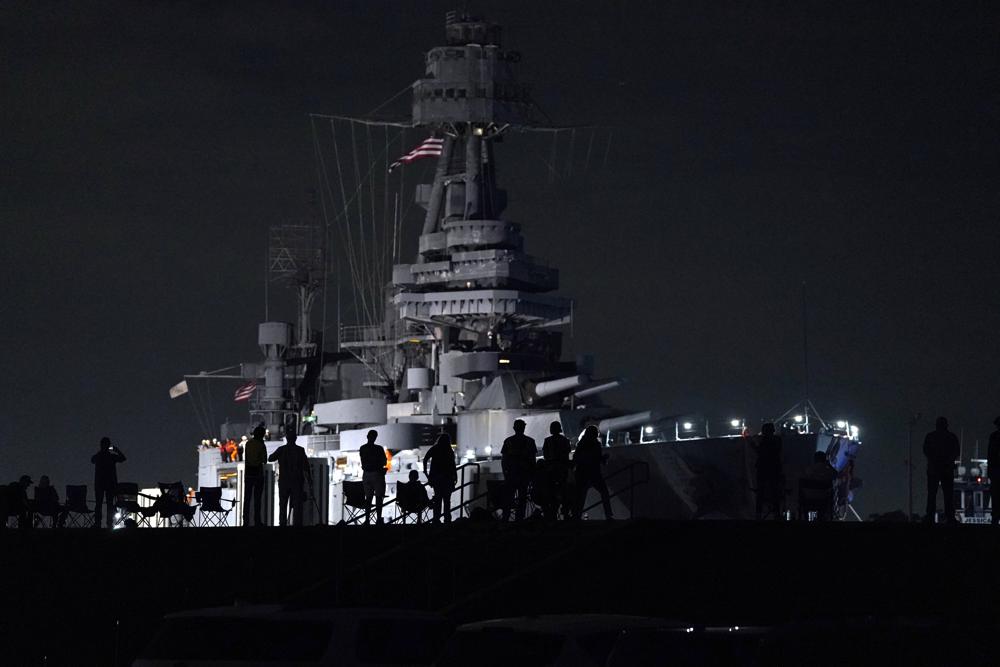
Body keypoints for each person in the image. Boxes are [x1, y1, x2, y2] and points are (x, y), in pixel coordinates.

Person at [268, 430, 311, 526]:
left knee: (283, 504)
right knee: (297, 505)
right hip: (297, 481)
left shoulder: (281, 449)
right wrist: (310, 481)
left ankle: (282, 524)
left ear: (287, 439)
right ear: (295, 439)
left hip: (284, 481)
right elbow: (306, 466)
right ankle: (297, 524)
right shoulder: (300, 450)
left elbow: (270, 458)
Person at [923, 416, 960, 524]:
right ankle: (950, 517)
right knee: (948, 494)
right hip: (947, 469)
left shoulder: (930, 436)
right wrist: (948, 460)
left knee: (932, 493)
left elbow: (926, 450)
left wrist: (935, 459)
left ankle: (930, 516)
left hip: (934, 469)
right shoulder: (951, 437)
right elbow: (956, 452)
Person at [573, 425, 613, 520]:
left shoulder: (581, 444)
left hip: (582, 473)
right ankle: (608, 515)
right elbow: (597, 459)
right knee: (604, 493)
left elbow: (576, 458)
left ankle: (576, 516)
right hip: (594, 473)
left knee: (580, 497)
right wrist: (604, 458)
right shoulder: (596, 444)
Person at [501, 419, 537, 521]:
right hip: (524, 475)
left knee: (509, 498)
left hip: (511, 475)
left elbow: (504, 460)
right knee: (522, 498)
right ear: (524, 428)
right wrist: (532, 477)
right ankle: (519, 519)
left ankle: (505, 518)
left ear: (514, 428)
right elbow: (532, 461)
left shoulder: (508, 441)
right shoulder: (530, 441)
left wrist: (505, 474)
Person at [91, 437, 126, 528]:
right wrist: (116, 450)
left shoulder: (99, 456)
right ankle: (109, 524)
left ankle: (98, 523)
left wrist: (100, 452)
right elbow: (123, 458)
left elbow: (92, 460)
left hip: (100, 484)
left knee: (99, 504)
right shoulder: (111, 456)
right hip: (110, 484)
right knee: (109, 504)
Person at [423, 433, 457, 523]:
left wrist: (426, 472)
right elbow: (453, 465)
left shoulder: (435, 448)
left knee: (438, 499)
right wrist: (455, 476)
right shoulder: (449, 450)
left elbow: (425, 458)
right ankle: (447, 519)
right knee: (447, 501)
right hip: (448, 478)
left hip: (436, 478)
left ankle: (436, 519)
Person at [751, 423, 783, 519]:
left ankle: (759, 513)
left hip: (763, 468)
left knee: (760, 493)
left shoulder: (764, 441)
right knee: (774, 492)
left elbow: (761, 452)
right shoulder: (777, 440)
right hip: (774, 468)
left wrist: (753, 446)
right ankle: (776, 513)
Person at [542, 421, 572, 520]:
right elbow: (567, 453)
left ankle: (553, 513)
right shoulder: (565, 440)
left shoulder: (547, 441)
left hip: (550, 470)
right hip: (562, 469)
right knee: (564, 492)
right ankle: (565, 512)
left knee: (551, 492)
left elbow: (546, 455)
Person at [359, 430, 387, 524]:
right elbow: (384, 462)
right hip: (377, 474)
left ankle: (367, 520)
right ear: (375, 437)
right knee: (379, 498)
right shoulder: (379, 449)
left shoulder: (362, 448)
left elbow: (364, 462)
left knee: (368, 498)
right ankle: (378, 519)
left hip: (366, 474)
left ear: (367, 436)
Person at [799, 451, 837, 521]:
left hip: (808, 500)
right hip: (823, 501)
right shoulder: (828, 471)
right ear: (824, 460)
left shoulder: (809, 469)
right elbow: (836, 474)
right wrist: (829, 465)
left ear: (815, 459)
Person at [243, 426, 268, 526]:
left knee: (247, 498)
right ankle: (257, 521)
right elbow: (264, 460)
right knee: (257, 499)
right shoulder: (261, 445)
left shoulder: (248, 443)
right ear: (261, 435)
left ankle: (246, 521)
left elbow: (247, 458)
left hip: (248, 473)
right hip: (258, 474)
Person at [988, 417, 1000, 525]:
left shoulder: (993, 437)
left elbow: (990, 455)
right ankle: (995, 517)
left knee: (995, 496)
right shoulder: (993, 437)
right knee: (995, 495)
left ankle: (995, 518)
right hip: (996, 471)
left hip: (995, 471)